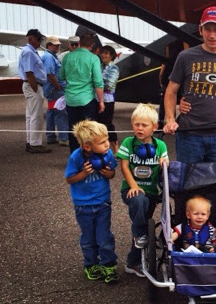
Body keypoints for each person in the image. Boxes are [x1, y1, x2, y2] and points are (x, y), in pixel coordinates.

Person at [163, 6, 216, 163]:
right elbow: (171, 91)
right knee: (188, 178)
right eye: (207, 29)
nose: (212, 35)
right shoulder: (185, 56)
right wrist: (170, 119)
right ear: (200, 30)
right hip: (189, 135)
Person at [116, 103, 169, 277]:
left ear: (154, 127)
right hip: (132, 190)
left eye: (144, 125)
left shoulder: (160, 145)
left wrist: (164, 163)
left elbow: (166, 167)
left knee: (145, 225)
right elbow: (124, 166)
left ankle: (133, 263)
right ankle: (139, 235)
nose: (139, 128)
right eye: (136, 124)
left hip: (152, 192)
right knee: (140, 221)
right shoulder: (128, 143)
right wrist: (133, 185)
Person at [65, 119, 119, 284]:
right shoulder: (76, 157)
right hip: (83, 206)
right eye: (102, 142)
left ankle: (108, 265)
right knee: (88, 239)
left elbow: (112, 173)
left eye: (107, 140)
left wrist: (107, 173)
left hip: (103, 203)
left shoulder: (107, 154)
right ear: (87, 147)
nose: (107, 144)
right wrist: (83, 173)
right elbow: (69, 179)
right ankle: (91, 264)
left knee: (104, 237)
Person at [58, 33, 104, 152]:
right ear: (92, 45)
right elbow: (98, 82)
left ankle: (74, 155)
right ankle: (89, 153)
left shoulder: (67, 57)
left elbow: (61, 76)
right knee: (89, 129)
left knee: (73, 128)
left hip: (71, 98)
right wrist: (101, 101)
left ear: (79, 43)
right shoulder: (94, 58)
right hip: (87, 98)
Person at [18, 28, 51, 153]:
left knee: (30, 115)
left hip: (31, 85)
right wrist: (35, 88)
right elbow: (29, 72)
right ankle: (35, 144)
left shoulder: (29, 51)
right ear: (31, 39)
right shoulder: (29, 52)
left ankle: (30, 141)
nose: (40, 42)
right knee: (36, 116)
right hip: (33, 85)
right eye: (39, 39)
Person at [42, 35, 69, 146]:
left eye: (58, 45)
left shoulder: (48, 56)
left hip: (50, 89)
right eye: (55, 45)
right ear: (49, 45)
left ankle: (51, 136)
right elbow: (50, 74)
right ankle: (63, 137)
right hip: (54, 89)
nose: (57, 47)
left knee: (51, 111)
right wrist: (58, 87)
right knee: (61, 112)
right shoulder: (49, 57)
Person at [97, 45, 119, 154]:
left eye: (106, 53)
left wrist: (96, 84)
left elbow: (109, 85)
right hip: (96, 99)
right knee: (97, 125)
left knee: (108, 125)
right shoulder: (98, 66)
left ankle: (116, 149)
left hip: (108, 100)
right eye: (102, 53)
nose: (103, 55)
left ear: (112, 56)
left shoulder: (114, 68)